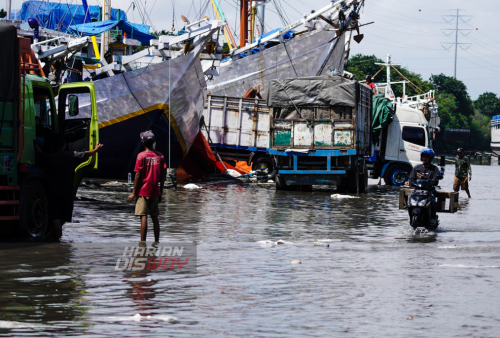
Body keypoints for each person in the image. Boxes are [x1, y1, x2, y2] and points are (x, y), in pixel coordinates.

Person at [36, 135, 102, 240]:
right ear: (64, 145)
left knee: (55, 217)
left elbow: (40, 155)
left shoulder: (50, 157)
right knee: (65, 217)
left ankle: (49, 237)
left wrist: (35, 144)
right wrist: (96, 150)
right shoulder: (71, 155)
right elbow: (86, 154)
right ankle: (55, 240)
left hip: (52, 190)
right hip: (66, 191)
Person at [127, 131, 166, 242]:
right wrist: (161, 193)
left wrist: (133, 193)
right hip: (155, 191)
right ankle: (156, 242)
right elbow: (163, 176)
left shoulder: (141, 156)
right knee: (155, 218)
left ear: (142, 142)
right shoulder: (160, 156)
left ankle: (142, 244)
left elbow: (137, 175)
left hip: (143, 191)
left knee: (143, 216)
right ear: (154, 142)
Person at [405, 148, 441, 221]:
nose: (425, 158)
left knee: (433, 200)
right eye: (423, 156)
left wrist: (425, 178)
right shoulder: (417, 168)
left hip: (429, 191)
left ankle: (433, 218)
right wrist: (408, 182)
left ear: (430, 158)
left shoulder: (434, 169)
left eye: (427, 157)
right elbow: (411, 179)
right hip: (417, 191)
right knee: (409, 201)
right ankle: (411, 217)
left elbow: (435, 182)